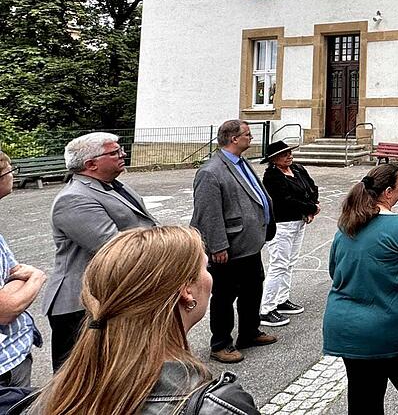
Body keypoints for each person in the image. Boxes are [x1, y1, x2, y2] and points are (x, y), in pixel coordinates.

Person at [31, 225, 258, 415]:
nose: (209, 277)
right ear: (186, 290)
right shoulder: (217, 406)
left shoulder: (55, 395)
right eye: (205, 267)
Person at [323, 164, 398, 415]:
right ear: (388, 192)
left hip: (351, 332)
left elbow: (335, 272)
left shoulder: (346, 226)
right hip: (396, 331)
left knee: (363, 402)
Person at [44, 132, 158, 370]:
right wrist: (170, 248)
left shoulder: (113, 185)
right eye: (114, 152)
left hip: (108, 296)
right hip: (81, 305)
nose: (123, 154)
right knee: (80, 379)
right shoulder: (73, 198)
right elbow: (114, 248)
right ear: (91, 164)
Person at [191, 120, 277, 364]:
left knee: (252, 290)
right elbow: (208, 213)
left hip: (250, 244)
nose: (251, 137)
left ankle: (249, 333)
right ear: (233, 139)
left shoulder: (241, 162)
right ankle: (221, 344)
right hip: (229, 247)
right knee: (224, 296)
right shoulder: (211, 171)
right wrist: (217, 245)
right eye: (247, 134)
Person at [259, 141, 320, 328]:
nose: (289, 155)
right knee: (278, 264)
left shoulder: (298, 169)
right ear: (273, 159)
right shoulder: (271, 177)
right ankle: (266, 309)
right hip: (281, 225)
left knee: (290, 263)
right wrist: (311, 208)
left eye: (289, 152)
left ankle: (282, 300)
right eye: (284, 154)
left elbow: (312, 189)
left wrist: (310, 210)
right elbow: (284, 201)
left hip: (298, 222)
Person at [0, 152, 45, 396]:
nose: (13, 177)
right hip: (5, 368)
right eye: (10, 171)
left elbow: (12, 274)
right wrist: (37, 275)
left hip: (12, 355)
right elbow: (5, 309)